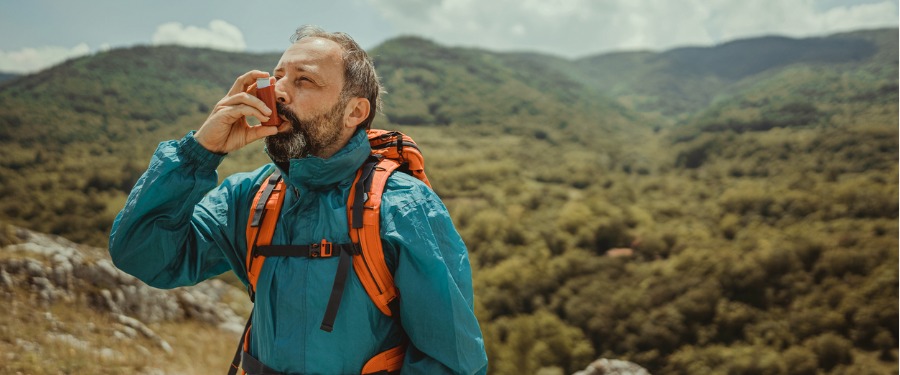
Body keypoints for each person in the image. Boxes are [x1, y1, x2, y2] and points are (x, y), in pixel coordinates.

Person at [108, 25, 488, 374]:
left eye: (303, 80)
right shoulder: (250, 197)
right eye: (276, 78)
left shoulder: (403, 207)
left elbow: (451, 361)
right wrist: (200, 152)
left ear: (354, 111)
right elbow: (143, 254)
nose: (278, 91)